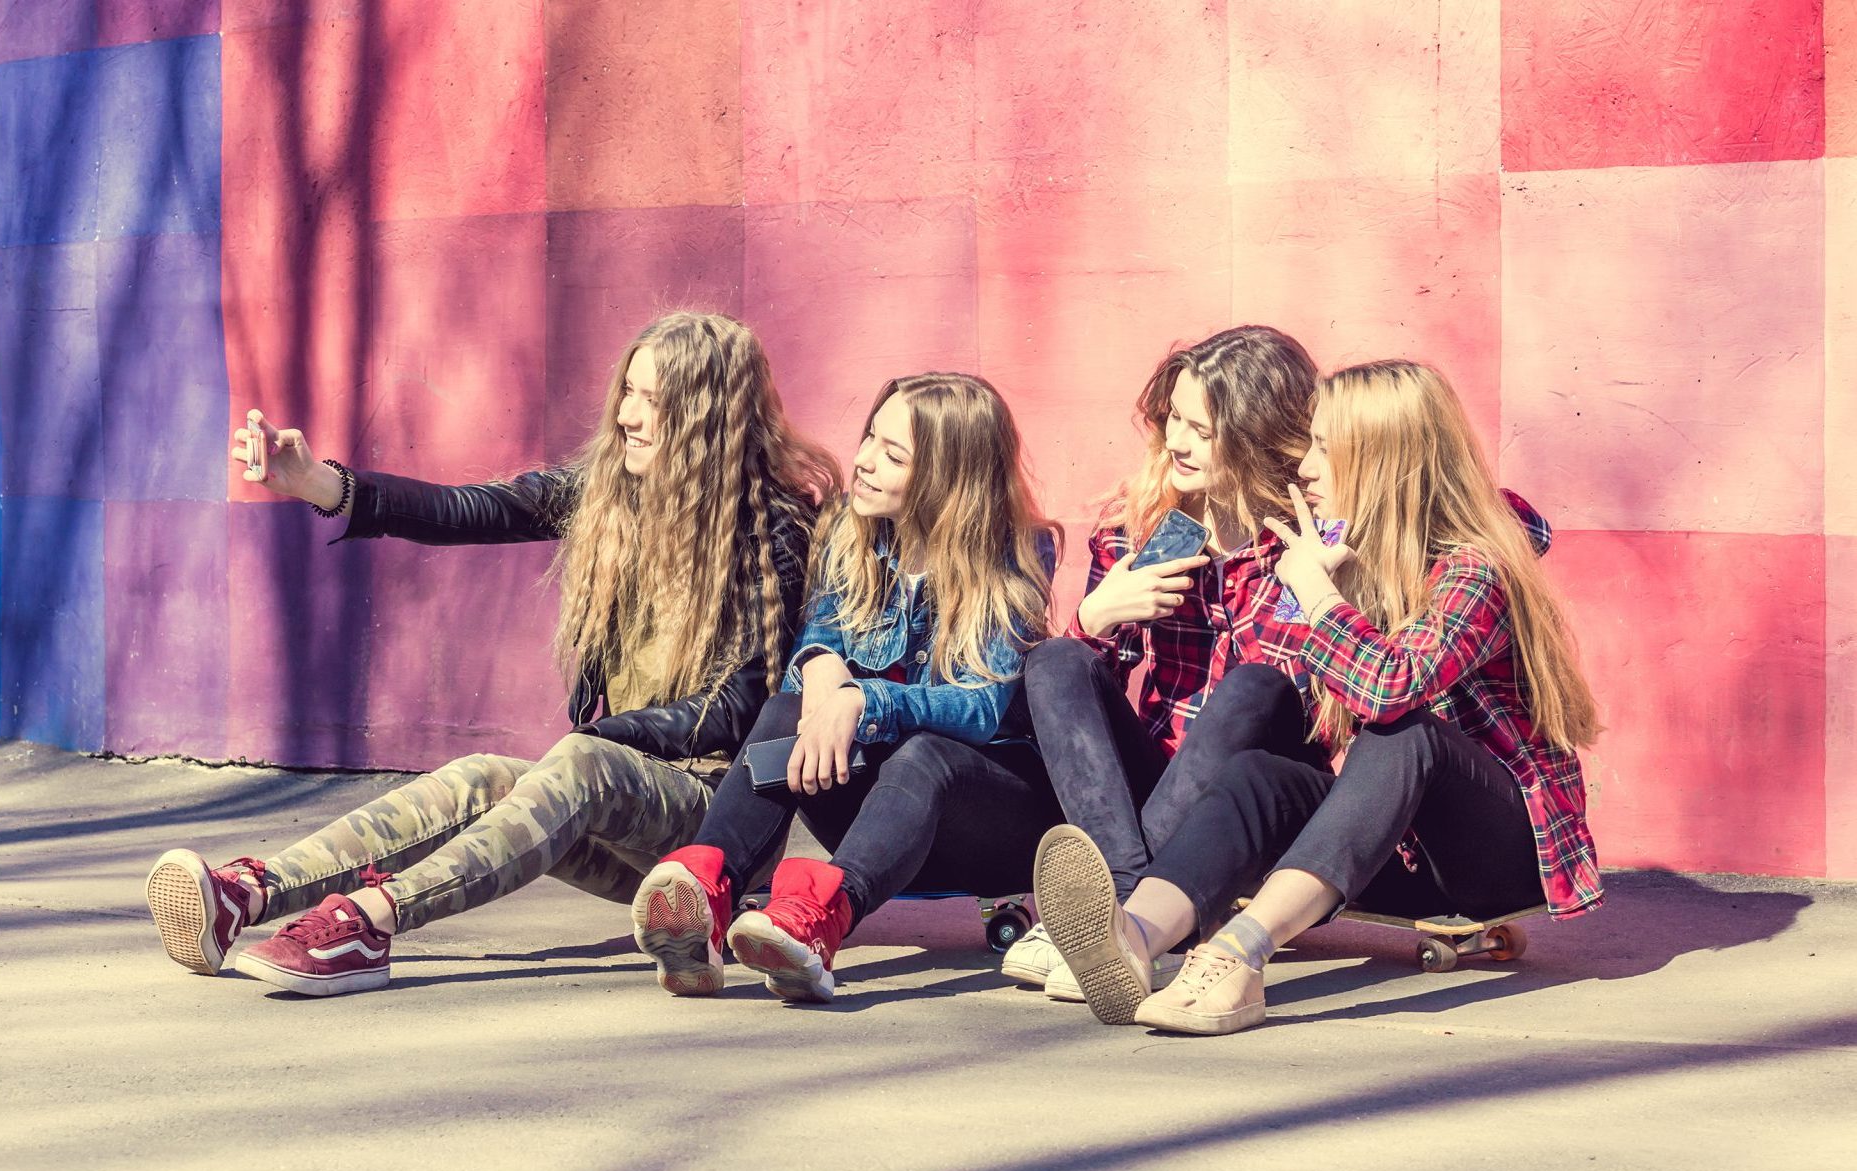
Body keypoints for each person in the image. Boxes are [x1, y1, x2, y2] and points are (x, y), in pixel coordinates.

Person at [143, 312, 838, 995]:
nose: (627, 413)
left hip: (709, 826)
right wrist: (321, 484)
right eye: (628, 389)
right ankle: (253, 892)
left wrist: (596, 740)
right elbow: (473, 509)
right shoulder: (610, 493)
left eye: (652, 400)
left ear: (704, 416)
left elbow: (734, 709)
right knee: (482, 775)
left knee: (581, 762)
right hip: (614, 795)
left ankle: (367, 921)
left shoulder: (770, 529)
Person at [1034, 360, 1602, 1032]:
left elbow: (1393, 687)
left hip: (1493, 855)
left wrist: (1316, 594)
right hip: (1390, 851)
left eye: (1325, 448)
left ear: (1383, 461)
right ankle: (1131, 936)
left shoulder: (1475, 567)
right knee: (1258, 777)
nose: (1303, 464)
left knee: (1404, 731)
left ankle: (1236, 954)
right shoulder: (1343, 550)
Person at [627, 372, 1062, 1002]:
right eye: (869, 439)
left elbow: (983, 706)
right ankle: (706, 896)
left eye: (894, 454)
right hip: (884, 819)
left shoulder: (1016, 554)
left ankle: (816, 923)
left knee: (927, 751)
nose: (862, 462)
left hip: (993, 829)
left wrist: (865, 698)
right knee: (787, 708)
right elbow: (821, 638)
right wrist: (821, 666)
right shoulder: (852, 537)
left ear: (949, 477)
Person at [1007, 327, 1332, 998]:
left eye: (1200, 428)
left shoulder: (1308, 538)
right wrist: (1099, 616)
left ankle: (1112, 923)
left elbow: (1522, 526)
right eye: (1172, 419)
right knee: (1057, 659)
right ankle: (1123, 912)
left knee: (1252, 687)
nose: (1176, 441)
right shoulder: (1143, 530)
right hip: (1159, 792)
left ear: (1256, 434)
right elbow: (1067, 709)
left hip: (1256, 796)